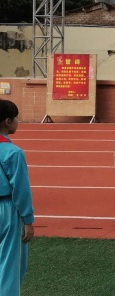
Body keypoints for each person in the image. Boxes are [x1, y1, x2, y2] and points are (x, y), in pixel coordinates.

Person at [0, 100, 35, 296]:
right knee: (9, 265)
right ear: (7, 121)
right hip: (6, 209)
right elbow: (21, 191)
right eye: (16, 118)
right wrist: (28, 220)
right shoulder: (13, 152)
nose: (17, 121)